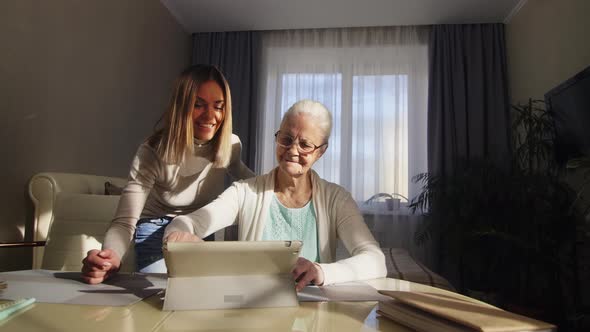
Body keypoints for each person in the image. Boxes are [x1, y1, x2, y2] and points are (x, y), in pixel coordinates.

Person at [164, 99, 386, 291]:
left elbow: (376, 260)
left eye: (305, 145)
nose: (292, 150)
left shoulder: (337, 199)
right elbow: (186, 223)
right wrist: (180, 234)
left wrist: (320, 271)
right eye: (286, 139)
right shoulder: (244, 192)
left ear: (321, 151)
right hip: (251, 313)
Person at [81, 64, 254, 284]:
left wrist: (278, 185)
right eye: (198, 105)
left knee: (202, 292)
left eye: (218, 106)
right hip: (155, 227)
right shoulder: (152, 151)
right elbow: (125, 221)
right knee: (159, 289)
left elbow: (247, 178)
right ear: (181, 107)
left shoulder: (230, 144)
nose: (210, 116)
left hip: (197, 227)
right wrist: (110, 256)